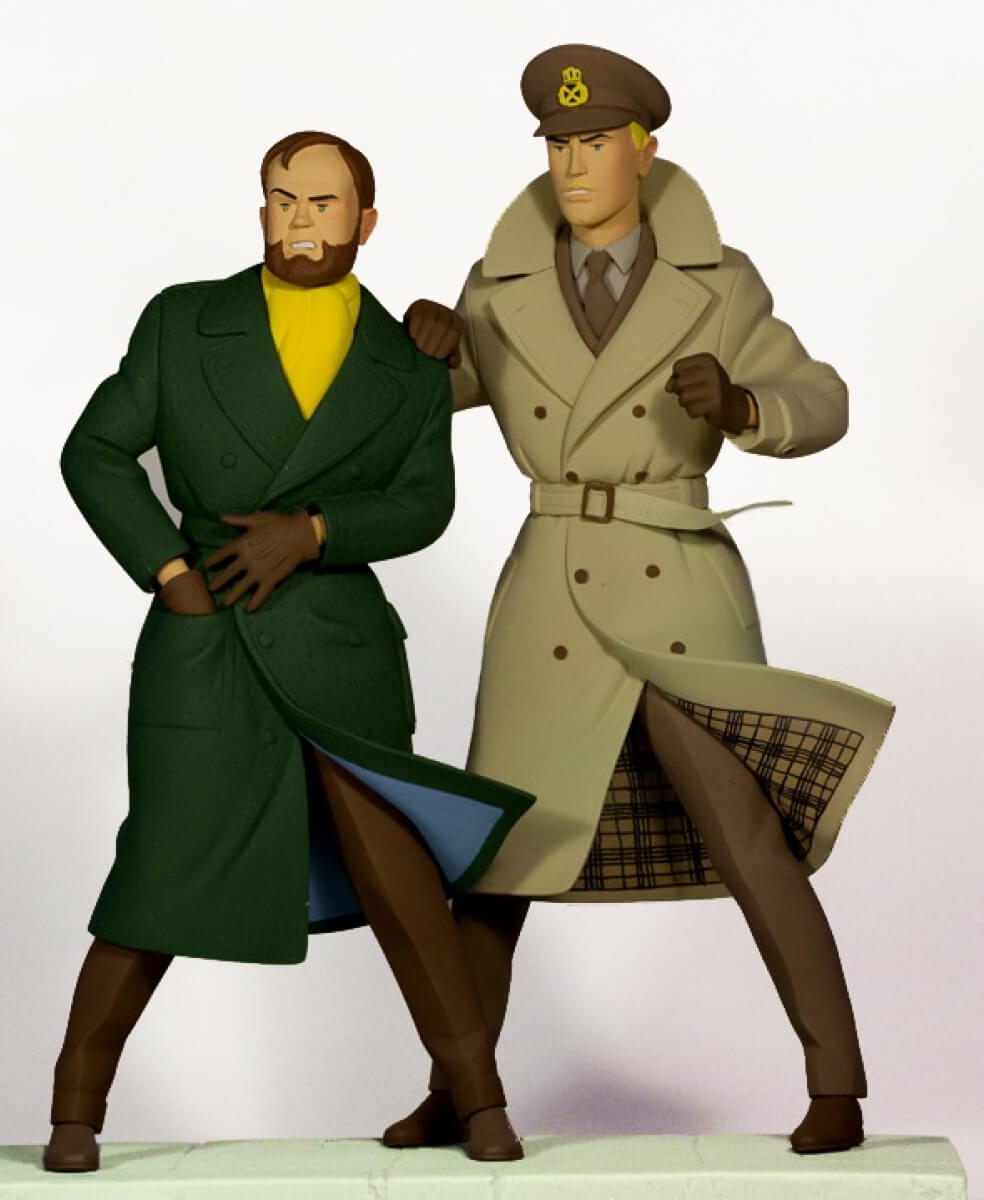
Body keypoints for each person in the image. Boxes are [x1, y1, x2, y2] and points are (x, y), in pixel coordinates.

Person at [400, 44, 894, 1155]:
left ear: (644, 150)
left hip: (676, 576)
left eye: (594, 143)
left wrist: (745, 403)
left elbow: (822, 398)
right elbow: (429, 400)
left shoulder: (720, 283)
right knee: (495, 861)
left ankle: (837, 1084)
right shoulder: (500, 284)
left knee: (749, 837)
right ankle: (456, 1087)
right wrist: (421, 349)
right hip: (550, 586)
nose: (573, 166)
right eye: (557, 146)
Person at [43, 129, 534, 1171]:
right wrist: (170, 575)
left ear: (366, 220)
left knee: (403, 882)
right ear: (262, 209)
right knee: (160, 873)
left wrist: (313, 532)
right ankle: (73, 1113)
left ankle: (482, 1099)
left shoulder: (408, 359)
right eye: (283, 199)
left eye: (323, 202)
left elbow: (426, 502)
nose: (301, 222)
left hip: (340, 653)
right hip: (207, 643)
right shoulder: (185, 321)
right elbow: (94, 450)